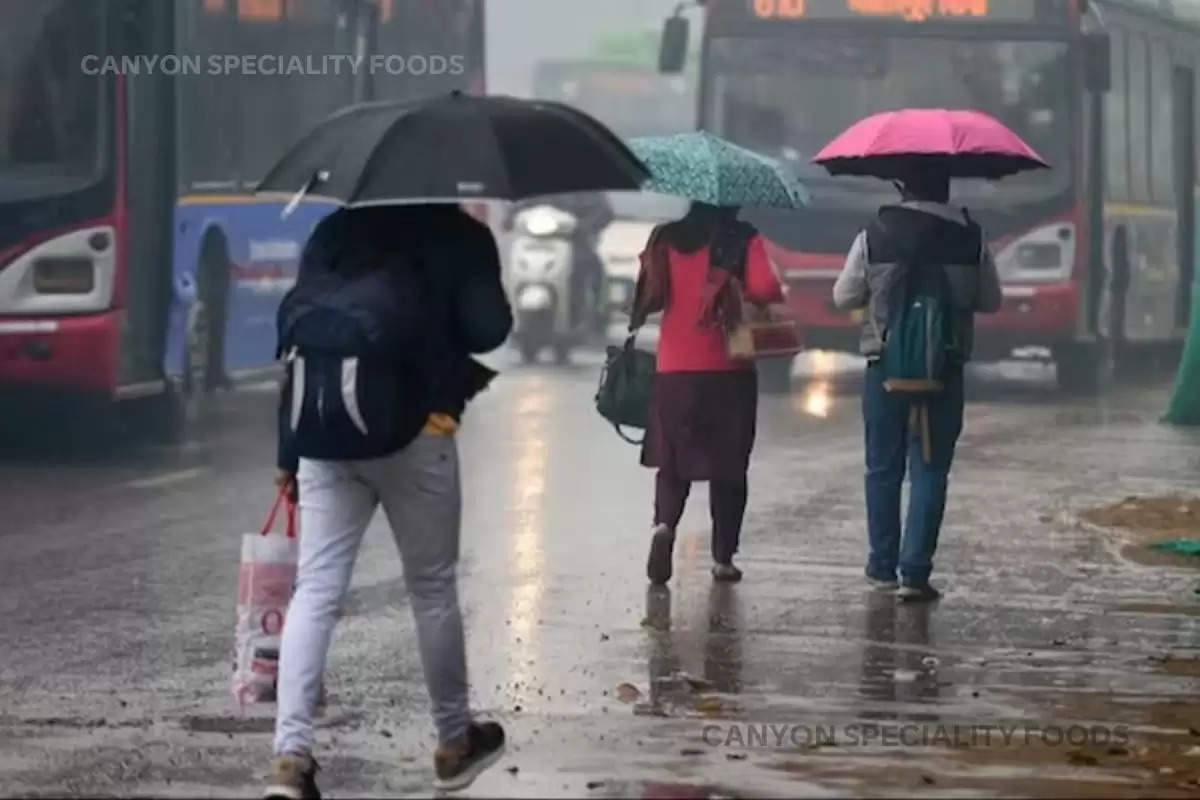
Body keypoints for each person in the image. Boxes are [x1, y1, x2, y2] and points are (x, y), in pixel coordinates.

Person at [266, 204, 513, 799]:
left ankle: (290, 756)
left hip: (326, 433)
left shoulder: (334, 232)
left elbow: (303, 349)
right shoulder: (461, 234)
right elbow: (489, 331)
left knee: (316, 589)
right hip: (417, 433)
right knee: (430, 588)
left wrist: (288, 453)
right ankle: (455, 741)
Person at [832, 171, 1002, 601]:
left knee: (883, 469)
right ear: (946, 186)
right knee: (931, 469)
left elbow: (844, 296)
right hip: (945, 370)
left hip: (885, 369)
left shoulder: (875, 233)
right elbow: (991, 300)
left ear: (902, 186)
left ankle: (882, 567)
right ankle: (915, 573)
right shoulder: (971, 238)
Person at [631, 203, 785, 585]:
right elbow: (766, 287)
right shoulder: (742, 237)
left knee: (673, 460)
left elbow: (647, 293)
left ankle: (664, 527)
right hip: (728, 370)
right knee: (729, 466)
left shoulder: (665, 237)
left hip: (673, 369)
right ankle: (722, 559)